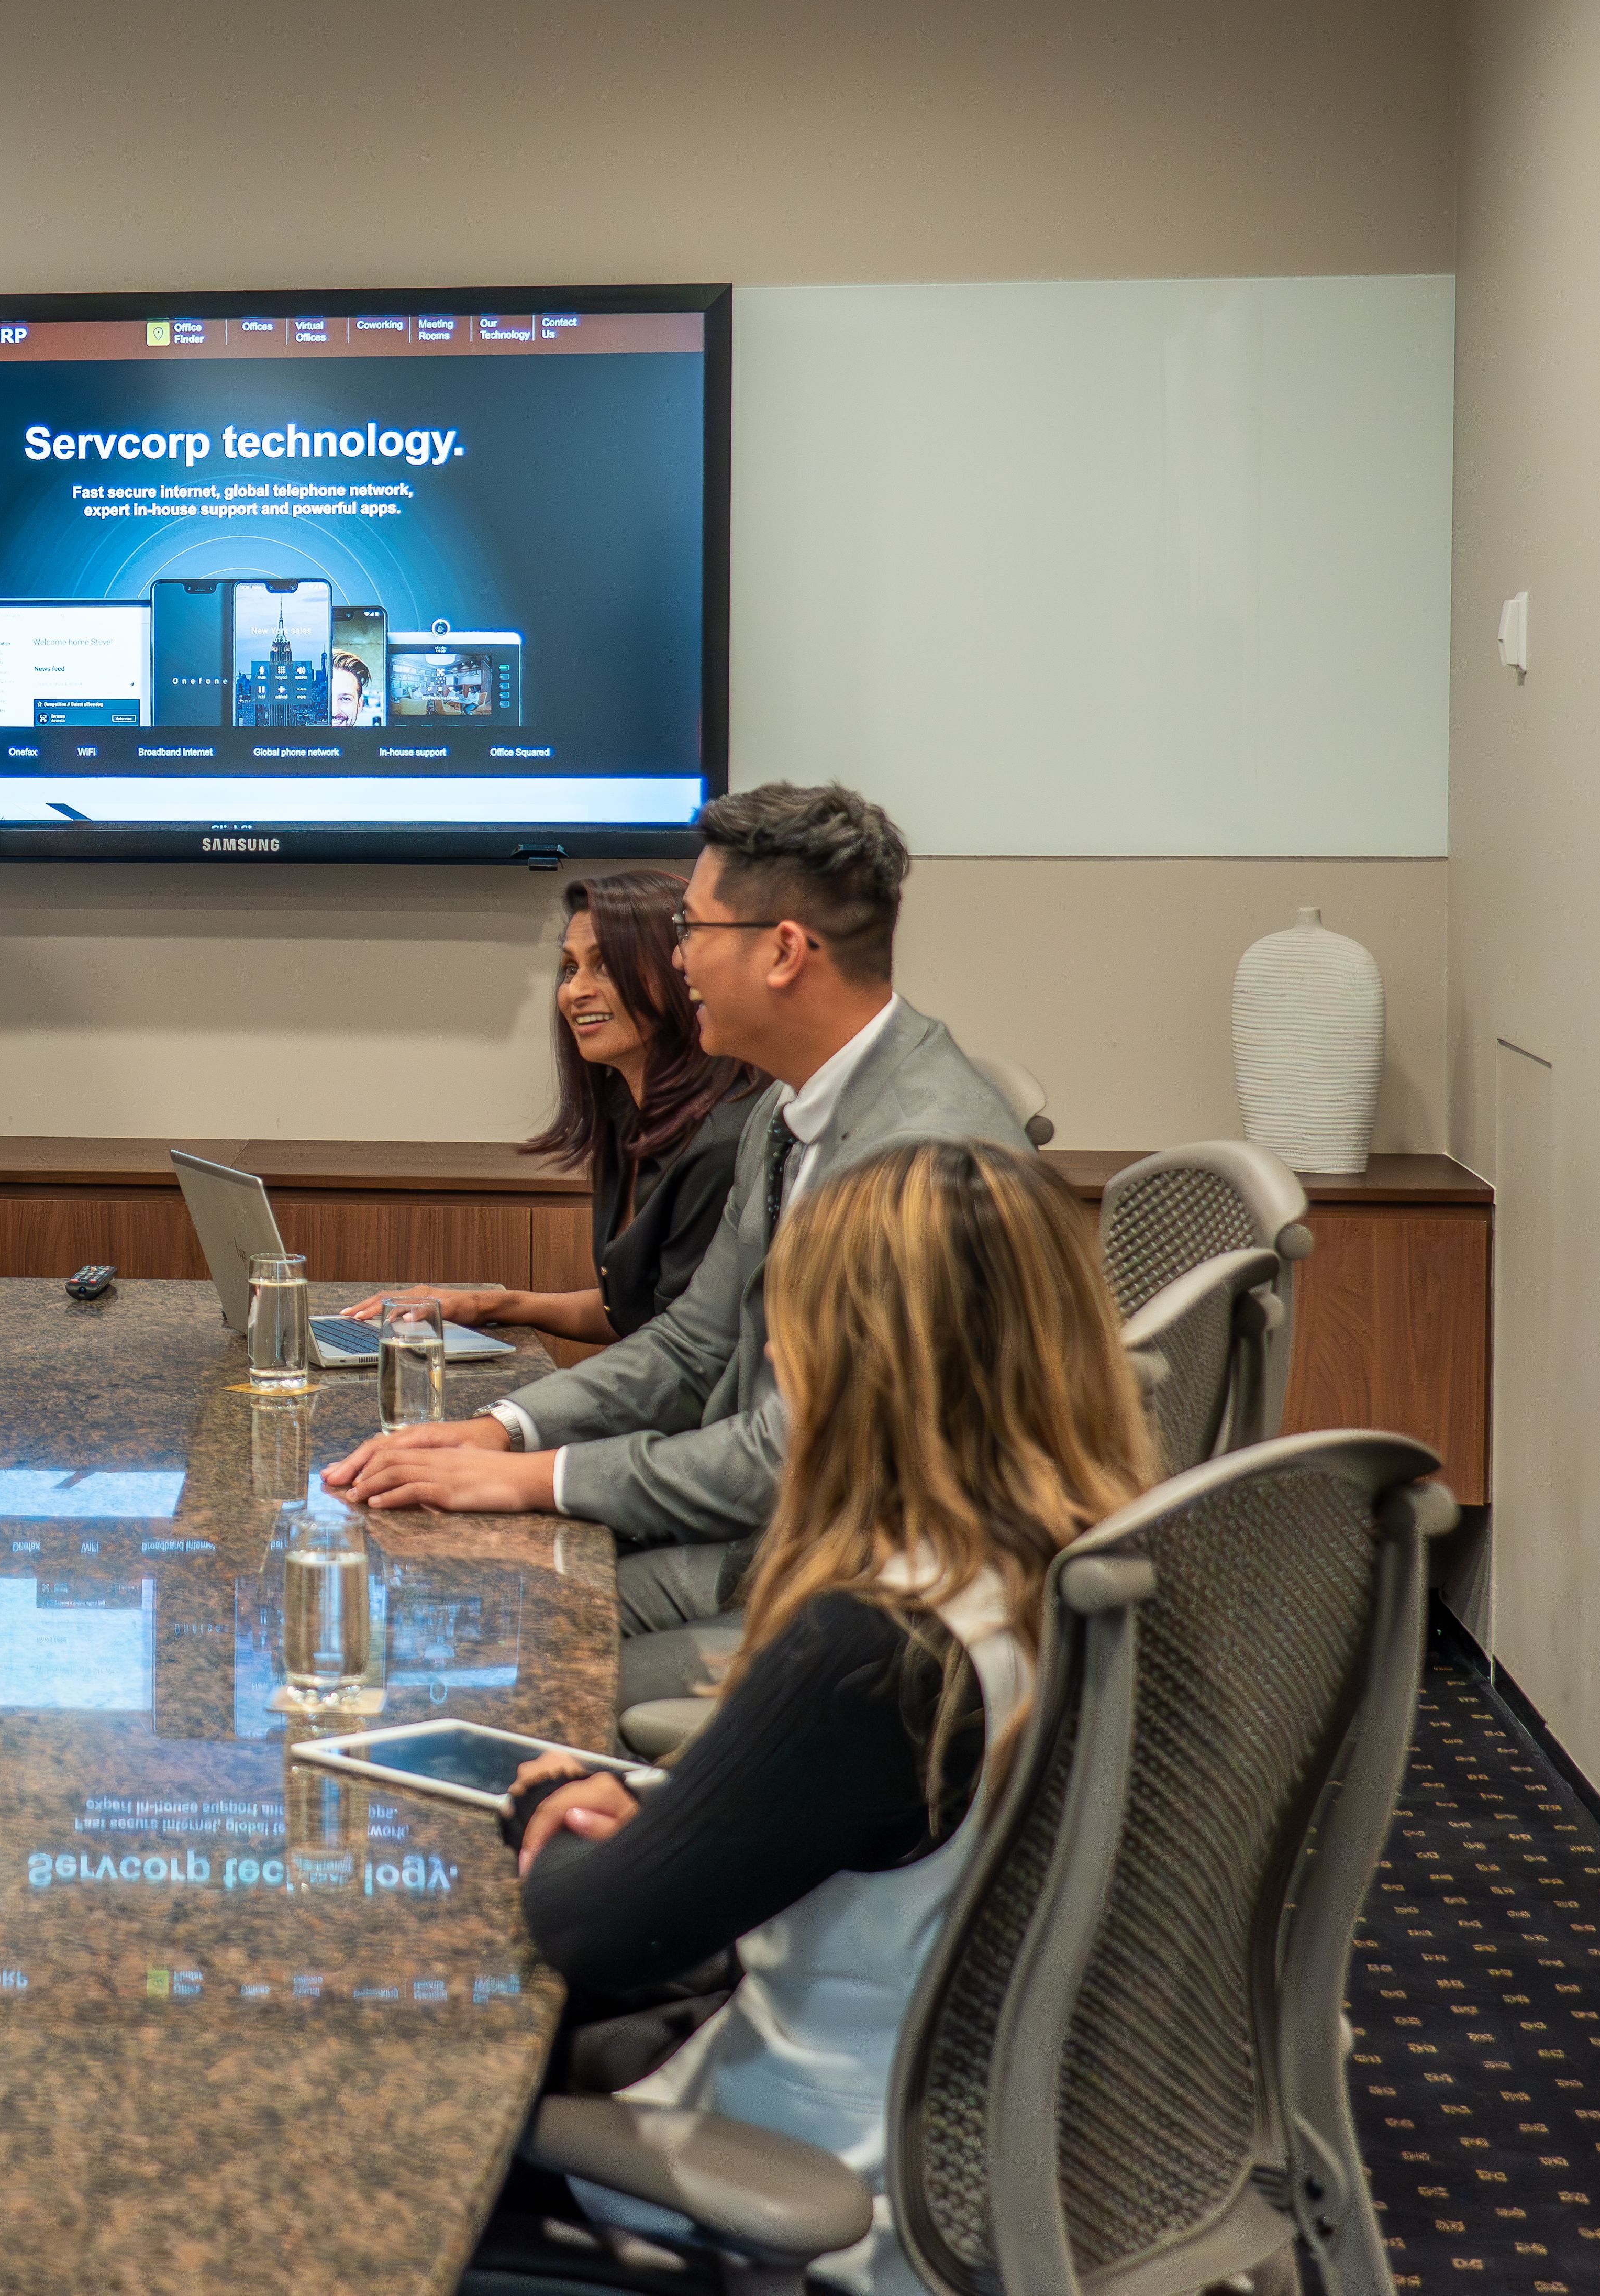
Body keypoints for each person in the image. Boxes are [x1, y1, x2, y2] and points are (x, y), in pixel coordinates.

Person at [490, 1141, 1157, 2292]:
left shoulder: (877, 1643)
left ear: (842, 1359)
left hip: (815, 2160)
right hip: (984, 2122)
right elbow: (845, 1817)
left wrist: (548, 1797)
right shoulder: (1088, 1563)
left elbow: (594, 1929)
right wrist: (666, 1804)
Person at [327, 782, 1033, 1710]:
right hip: (771, 1545)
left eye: (693, 928)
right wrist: (504, 1428)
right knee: (455, 1597)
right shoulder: (789, 1107)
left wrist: (530, 1476)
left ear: (783, 950)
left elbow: (795, 1459)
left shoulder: (919, 1158)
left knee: (503, 1662)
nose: (677, 956)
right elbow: (692, 1342)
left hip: (866, 1609)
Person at [346, 866, 752, 1354]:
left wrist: (516, 1424)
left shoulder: (719, 1146)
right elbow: (629, 1312)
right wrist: (485, 1305)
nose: (575, 990)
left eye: (605, 965)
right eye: (570, 967)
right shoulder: (627, 1115)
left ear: (679, 970)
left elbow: (681, 1353)